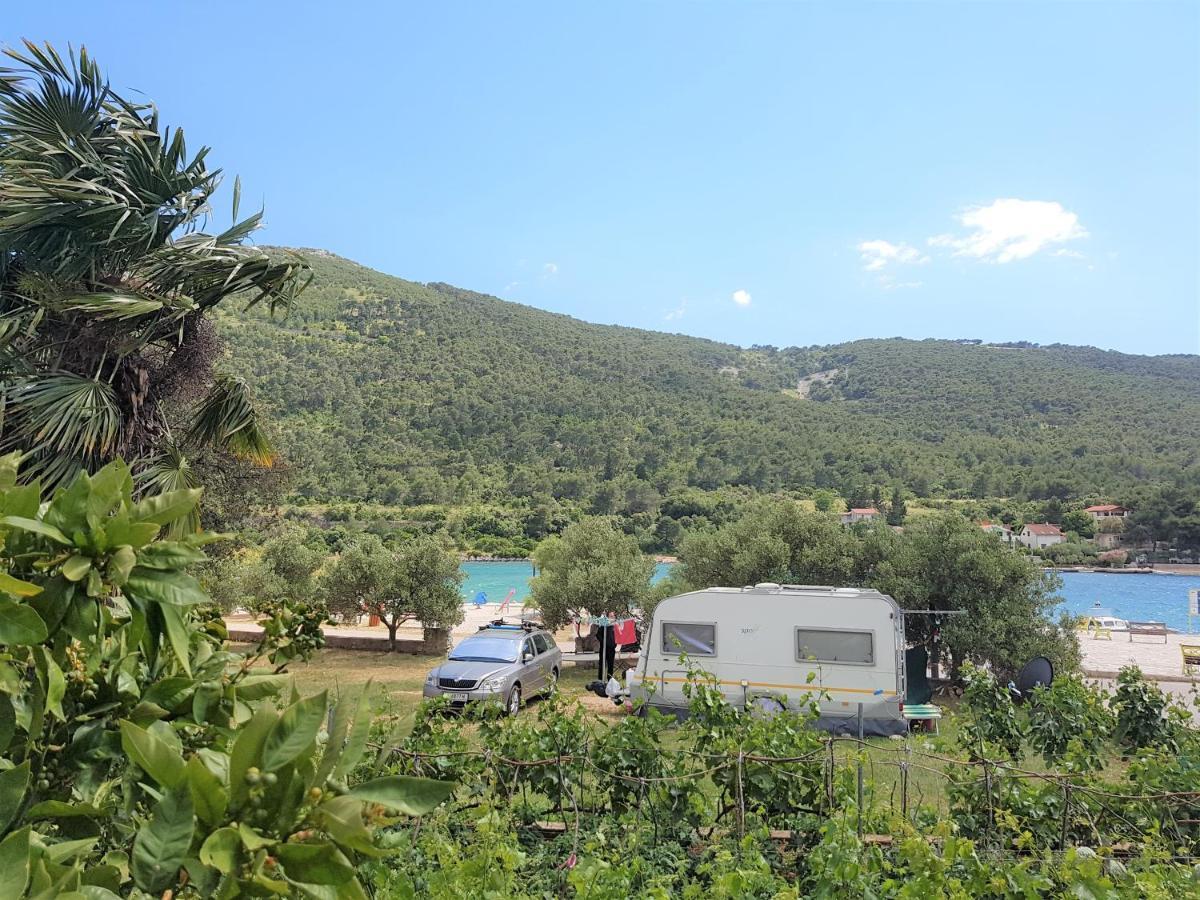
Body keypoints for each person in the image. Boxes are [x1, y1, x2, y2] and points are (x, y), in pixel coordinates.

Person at [594, 611, 616, 681]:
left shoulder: (615, 626)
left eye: (612, 616)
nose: (611, 618)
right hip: (604, 648)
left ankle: (610, 679)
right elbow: (598, 635)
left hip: (612, 649)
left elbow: (617, 637)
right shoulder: (603, 625)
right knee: (602, 664)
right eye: (610, 616)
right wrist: (604, 642)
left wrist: (614, 644)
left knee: (611, 665)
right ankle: (600, 679)